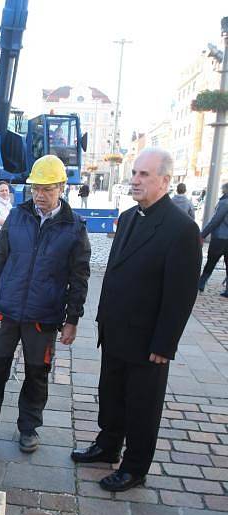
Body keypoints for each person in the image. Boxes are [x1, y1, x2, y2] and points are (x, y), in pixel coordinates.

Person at [71, 148, 202, 491]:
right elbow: (116, 271)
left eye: (144, 174)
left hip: (148, 340)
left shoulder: (181, 228)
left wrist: (165, 343)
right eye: (134, 173)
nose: (136, 180)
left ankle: (135, 466)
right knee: (111, 393)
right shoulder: (129, 217)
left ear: (165, 180)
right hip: (115, 331)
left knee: (142, 405)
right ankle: (107, 445)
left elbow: (181, 294)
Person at [0, 155, 90, 453]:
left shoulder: (74, 227)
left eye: (47, 190)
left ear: (61, 189)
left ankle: (28, 428)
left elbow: (79, 277)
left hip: (43, 317)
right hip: (5, 311)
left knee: (37, 375)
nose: (39, 196)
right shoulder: (18, 216)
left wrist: (73, 320)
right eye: (35, 189)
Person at [198, 182, 228, 297]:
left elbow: (216, 220)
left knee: (211, 261)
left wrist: (203, 234)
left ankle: (201, 283)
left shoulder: (225, 202)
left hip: (220, 238)